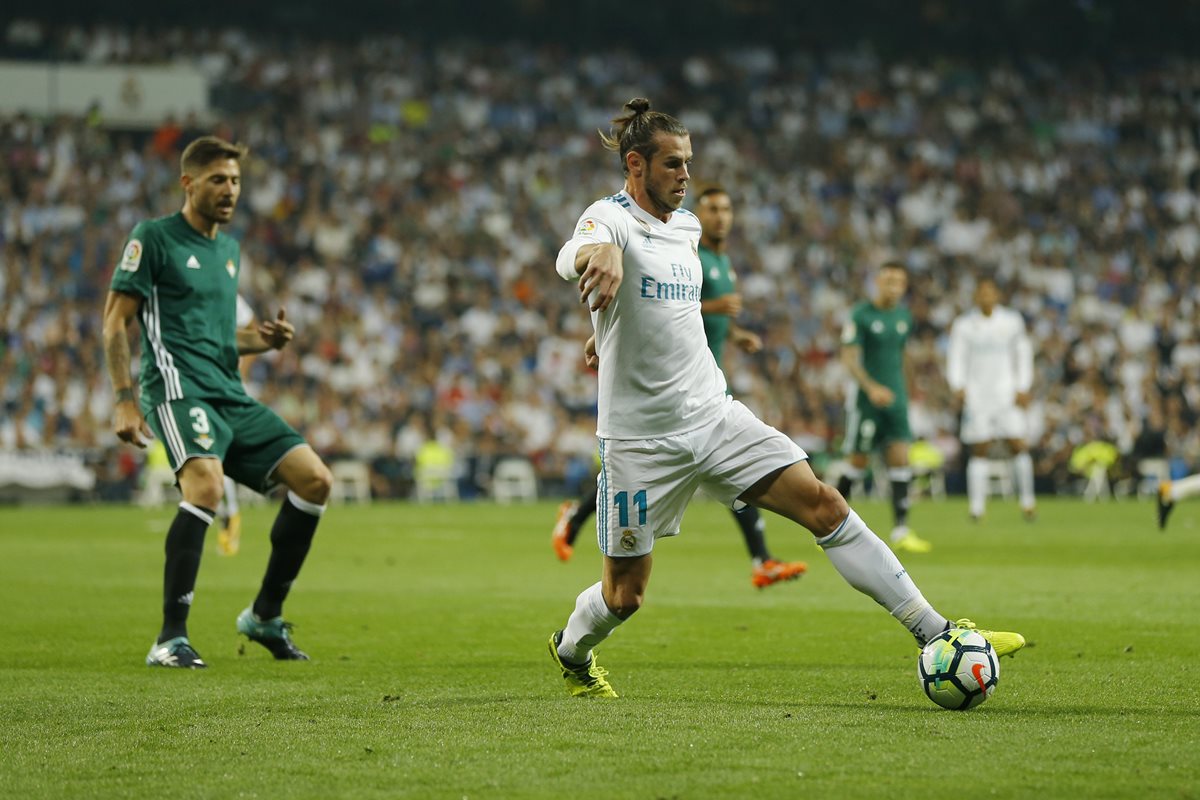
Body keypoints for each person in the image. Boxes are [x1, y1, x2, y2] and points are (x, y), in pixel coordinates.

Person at [546, 98, 1025, 699]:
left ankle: (938, 632)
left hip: (713, 415)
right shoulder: (608, 218)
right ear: (636, 165)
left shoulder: (688, 228)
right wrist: (600, 254)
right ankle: (571, 651)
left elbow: (668, 307)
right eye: (672, 164)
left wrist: (608, 333)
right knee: (625, 596)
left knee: (826, 504)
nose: (686, 175)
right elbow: (571, 255)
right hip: (641, 441)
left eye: (689, 161)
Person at [103, 135, 333, 669]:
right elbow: (115, 321)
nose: (229, 190)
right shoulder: (153, 238)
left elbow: (221, 337)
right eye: (218, 181)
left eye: (235, 181)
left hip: (228, 393)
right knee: (205, 484)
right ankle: (170, 638)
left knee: (316, 480)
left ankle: (265, 615)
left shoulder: (228, 252)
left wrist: (264, 341)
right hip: (176, 388)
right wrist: (123, 399)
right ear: (188, 184)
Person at [552, 185, 808, 589]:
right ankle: (576, 517)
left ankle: (762, 559)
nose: (721, 217)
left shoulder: (721, 261)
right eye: (712, 209)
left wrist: (735, 333)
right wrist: (602, 335)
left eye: (726, 209)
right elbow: (655, 302)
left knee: (731, 472)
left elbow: (684, 309)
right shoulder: (684, 247)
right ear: (699, 213)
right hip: (669, 385)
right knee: (643, 482)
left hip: (705, 380)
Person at [837, 261, 932, 553]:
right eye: (888, 281)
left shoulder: (904, 317)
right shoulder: (861, 314)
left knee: (901, 459)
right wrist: (871, 388)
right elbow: (849, 358)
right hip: (867, 402)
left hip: (896, 400)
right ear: (877, 282)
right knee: (857, 463)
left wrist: (909, 388)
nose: (893, 287)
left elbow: (901, 355)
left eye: (899, 283)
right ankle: (829, 522)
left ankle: (901, 530)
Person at [946, 276, 1036, 522]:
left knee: (1017, 444)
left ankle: (1028, 502)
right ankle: (977, 508)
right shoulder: (964, 325)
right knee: (979, 448)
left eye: (990, 292)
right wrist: (957, 385)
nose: (986, 297)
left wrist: (1023, 386)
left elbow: (1023, 354)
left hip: (1007, 393)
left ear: (997, 295)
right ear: (976, 296)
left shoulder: (1012, 321)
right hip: (977, 395)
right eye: (982, 292)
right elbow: (956, 356)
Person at [215, 293, 259, 557]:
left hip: (223, 387)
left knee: (216, 450)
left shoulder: (227, 292)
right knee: (211, 452)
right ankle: (226, 510)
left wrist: (241, 372)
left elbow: (253, 328)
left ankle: (229, 514)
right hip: (196, 383)